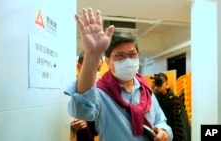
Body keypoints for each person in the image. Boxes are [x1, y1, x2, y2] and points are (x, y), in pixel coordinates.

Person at [64, 7, 173, 141]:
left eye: (132, 54)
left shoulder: (146, 90)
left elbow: (161, 120)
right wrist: (91, 55)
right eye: (120, 56)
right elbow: (81, 111)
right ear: (108, 62)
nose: (128, 60)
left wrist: (164, 131)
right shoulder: (100, 94)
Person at [70, 51, 103, 141]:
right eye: (91, 68)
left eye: (98, 69)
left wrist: (88, 123)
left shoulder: (100, 91)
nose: (95, 72)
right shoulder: (68, 88)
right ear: (79, 67)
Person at [151, 73, 191, 141]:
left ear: (166, 82)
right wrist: (151, 89)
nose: (160, 84)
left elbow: (180, 124)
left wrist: (164, 93)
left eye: (161, 81)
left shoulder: (174, 100)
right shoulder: (154, 97)